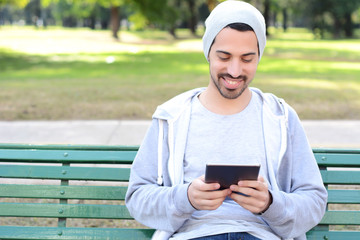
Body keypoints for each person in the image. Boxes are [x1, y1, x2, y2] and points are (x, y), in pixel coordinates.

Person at [125, 1, 327, 239]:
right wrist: (186, 198)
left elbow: (314, 201)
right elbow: (137, 197)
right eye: (224, 56)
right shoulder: (172, 117)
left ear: (259, 57)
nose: (234, 70)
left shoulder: (280, 117)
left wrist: (271, 203)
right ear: (208, 52)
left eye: (247, 59)